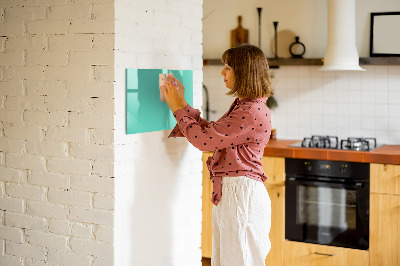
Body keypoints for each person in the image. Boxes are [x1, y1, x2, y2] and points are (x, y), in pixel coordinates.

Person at [161, 44, 273, 266]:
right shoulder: (246, 106)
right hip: (236, 193)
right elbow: (212, 133)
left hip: (241, 195)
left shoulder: (250, 111)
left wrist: (176, 108)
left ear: (244, 72)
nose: (222, 72)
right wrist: (182, 104)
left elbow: (204, 141)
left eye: (228, 67)